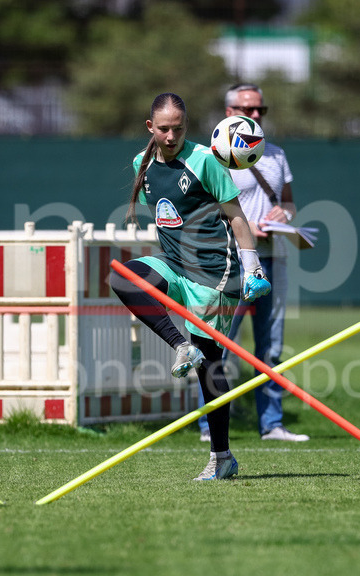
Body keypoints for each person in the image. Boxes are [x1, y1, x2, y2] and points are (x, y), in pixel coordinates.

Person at [109, 92, 270, 480]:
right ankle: (179, 345)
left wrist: (252, 268)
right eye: (163, 129)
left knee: (210, 365)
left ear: (186, 126)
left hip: (216, 274)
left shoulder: (205, 160)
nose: (170, 136)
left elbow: (235, 217)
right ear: (151, 127)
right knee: (124, 276)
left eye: (178, 129)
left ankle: (222, 457)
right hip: (176, 267)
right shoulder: (141, 164)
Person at [197, 83, 308, 443]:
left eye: (261, 109)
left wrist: (283, 214)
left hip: (273, 258)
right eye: (248, 108)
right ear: (229, 112)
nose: (256, 115)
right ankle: (207, 425)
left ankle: (272, 424)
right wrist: (244, 229)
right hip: (230, 262)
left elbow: (289, 203)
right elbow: (204, 209)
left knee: (271, 347)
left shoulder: (275, 154)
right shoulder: (211, 156)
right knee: (218, 344)